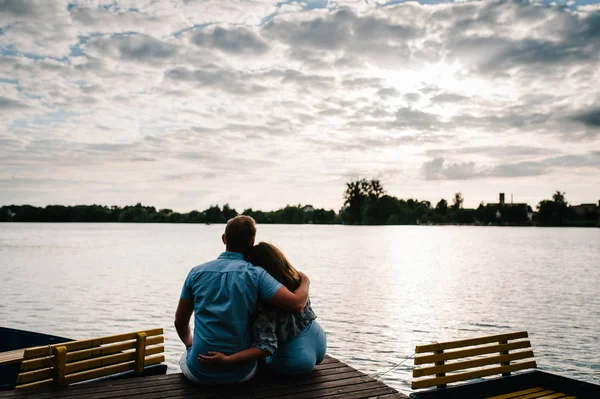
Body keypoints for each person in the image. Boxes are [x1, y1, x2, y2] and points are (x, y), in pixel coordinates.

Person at [174, 216, 311, 385]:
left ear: (224, 239)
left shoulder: (195, 273)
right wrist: (305, 281)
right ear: (251, 242)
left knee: (185, 357)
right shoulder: (257, 275)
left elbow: (180, 321)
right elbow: (297, 304)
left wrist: (190, 344)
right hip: (241, 374)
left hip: (200, 371)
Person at [198, 242, 327, 375]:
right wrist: (306, 281)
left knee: (258, 362)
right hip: (319, 341)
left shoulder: (265, 303)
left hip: (295, 358)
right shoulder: (296, 281)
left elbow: (265, 347)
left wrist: (227, 360)